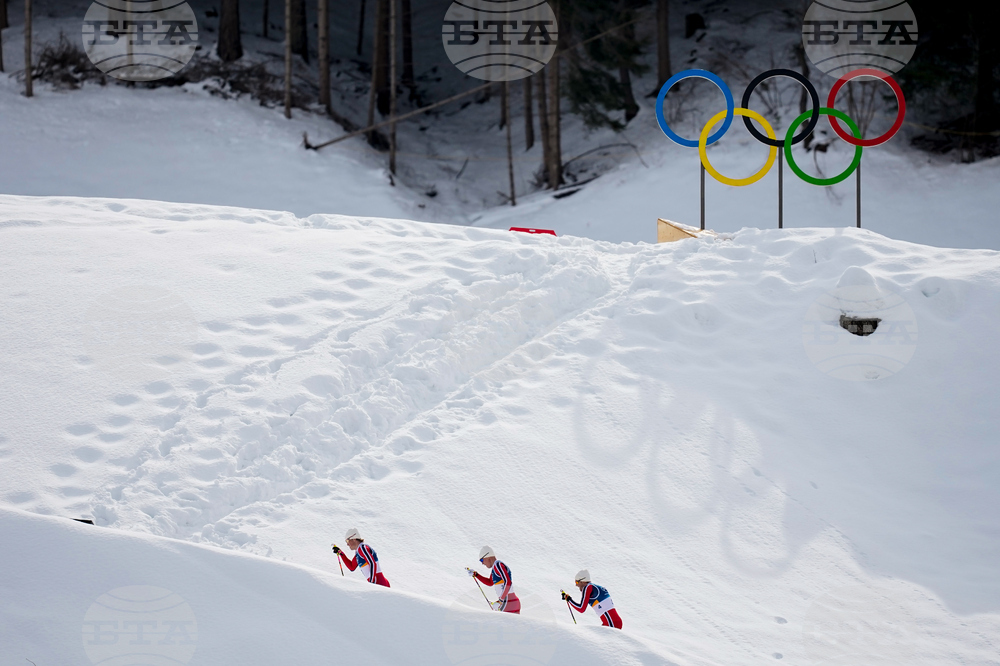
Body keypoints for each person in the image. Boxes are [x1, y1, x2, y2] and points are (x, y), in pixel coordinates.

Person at [467, 546, 520, 614]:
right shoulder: (495, 568)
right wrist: (476, 574)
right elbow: (490, 582)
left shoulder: (498, 565)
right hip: (511, 602)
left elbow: (508, 582)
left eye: (482, 560)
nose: (482, 563)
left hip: (507, 603)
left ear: (488, 556)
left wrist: (500, 601)